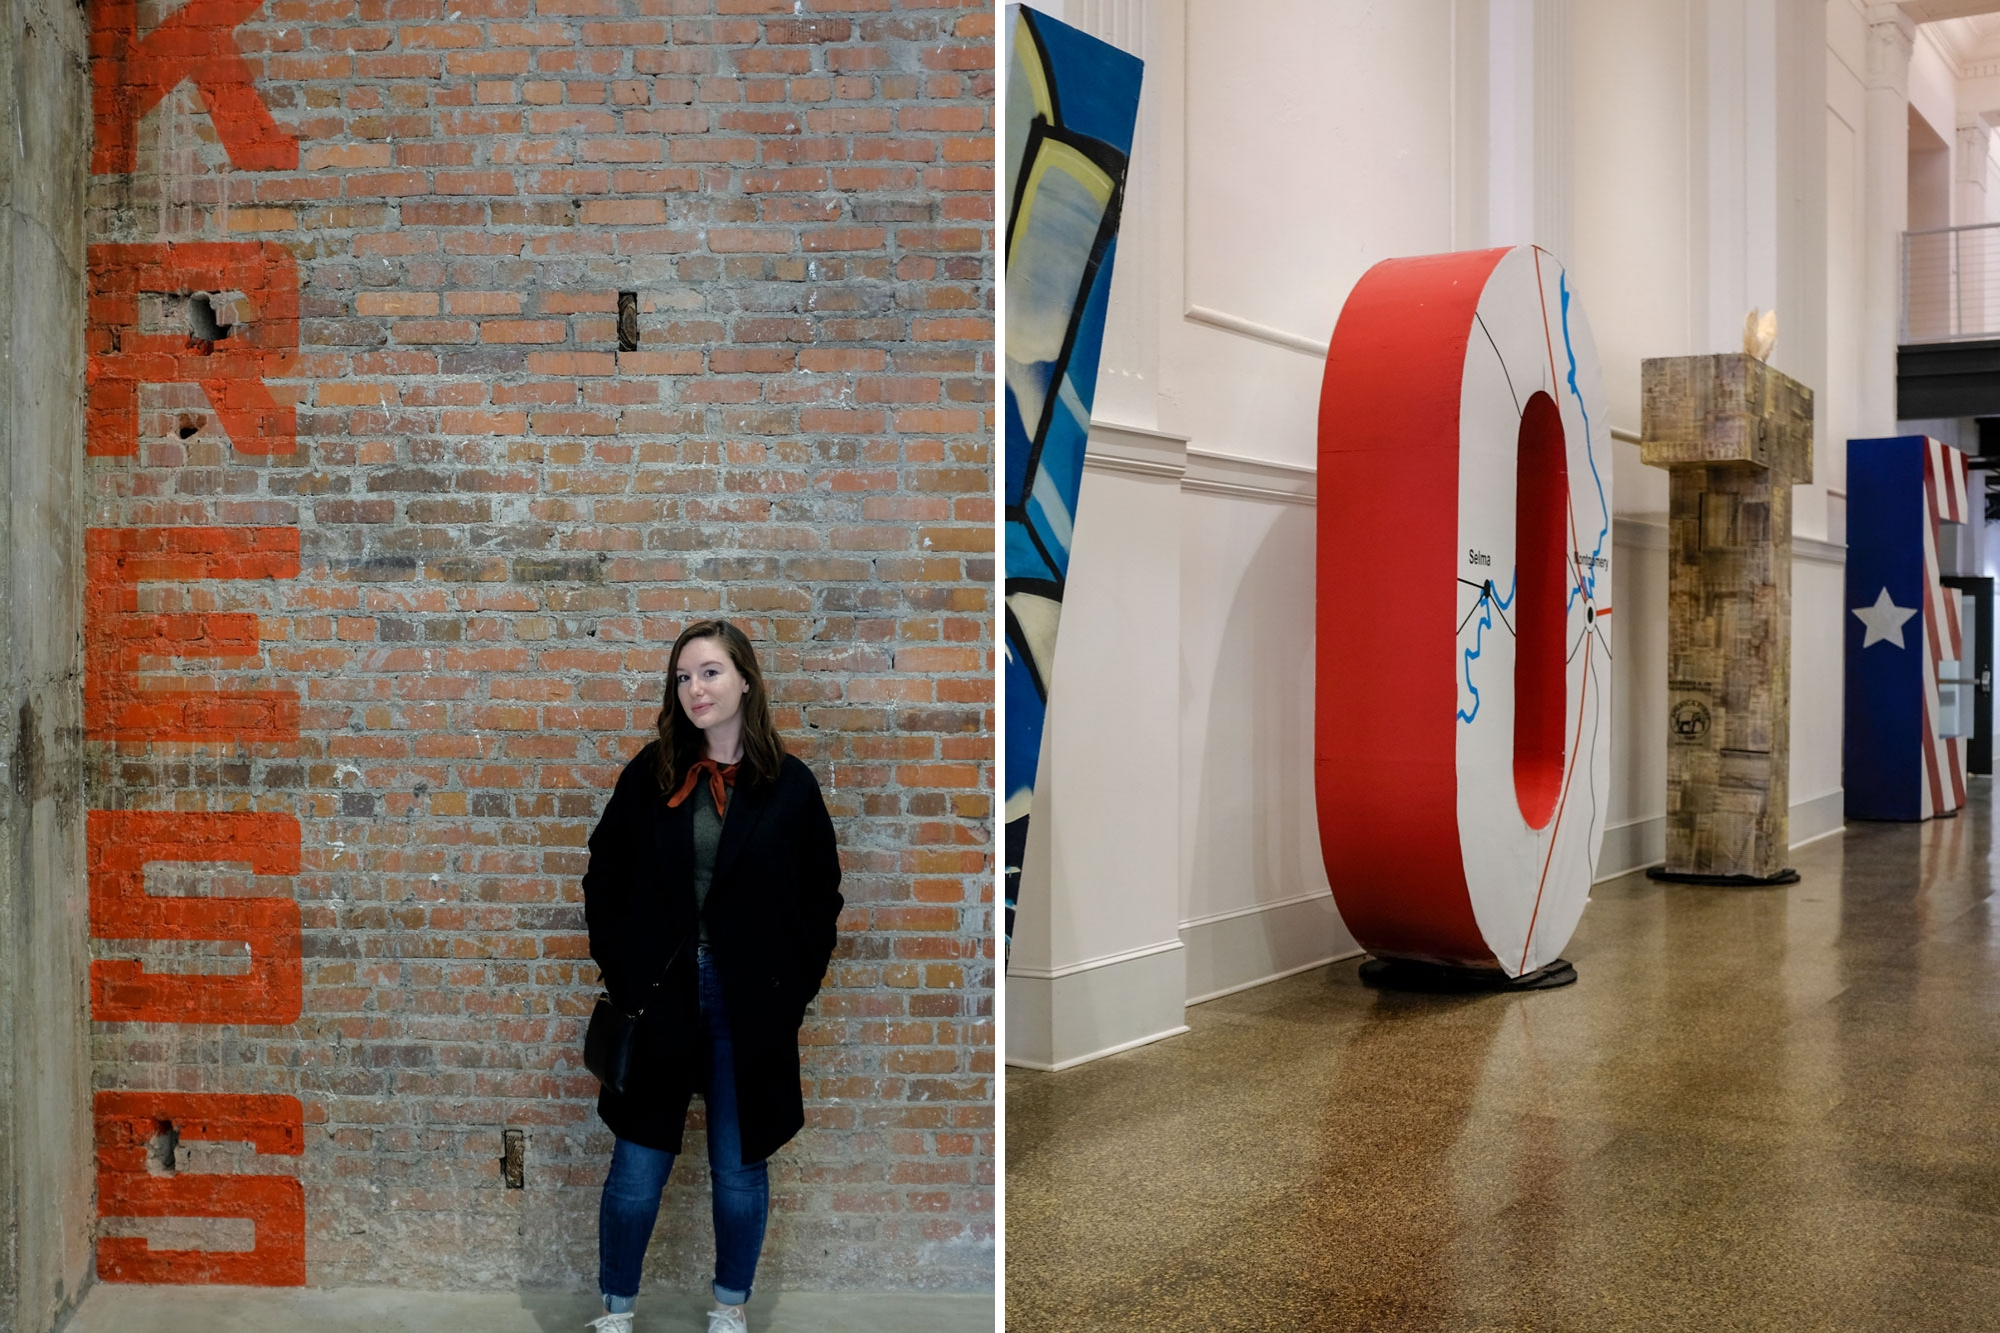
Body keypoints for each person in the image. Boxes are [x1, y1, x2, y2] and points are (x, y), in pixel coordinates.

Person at [581, 619, 843, 1333]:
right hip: (659, 998)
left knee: (738, 1166)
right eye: (682, 677)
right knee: (637, 1168)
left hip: (749, 1004)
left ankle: (729, 1307)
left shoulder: (789, 786)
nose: (694, 688)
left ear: (746, 681)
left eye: (710, 672)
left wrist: (794, 990)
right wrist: (623, 970)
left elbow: (823, 896)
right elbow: (602, 875)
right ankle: (616, 1311)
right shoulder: (652, 772)